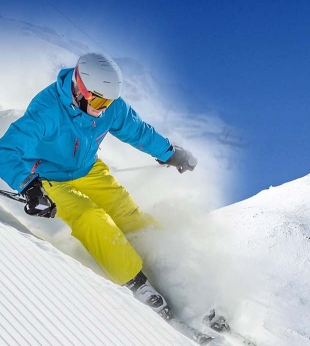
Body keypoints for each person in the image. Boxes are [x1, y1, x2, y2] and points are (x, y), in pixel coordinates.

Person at [0, 52, 197, 320]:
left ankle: (170, 268)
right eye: (100, 100)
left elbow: (136, 129)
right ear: (80, 90)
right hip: (49, 176)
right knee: (91, 217)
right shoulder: (47, 110)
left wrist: (168, 152)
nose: (104, 108)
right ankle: (136, 282)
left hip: (88, 169)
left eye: (109, 101)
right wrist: (30, 188)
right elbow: (7, 149)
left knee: (127, 212)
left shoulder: (108, 105)